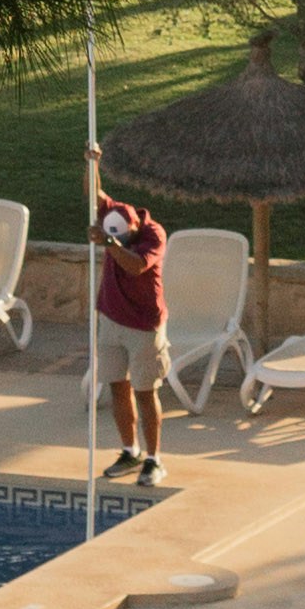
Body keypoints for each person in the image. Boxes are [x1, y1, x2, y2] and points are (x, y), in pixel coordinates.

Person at [93, 190, 167, 480]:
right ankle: (130, 451)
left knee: (145, 392)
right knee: (117, 386)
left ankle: (154, 459)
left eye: (124, 238)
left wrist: (109, 242)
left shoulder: (154, 235)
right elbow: (93, 192)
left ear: (134, 228)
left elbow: (135, 266)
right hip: (111, 318)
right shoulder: (113, 215)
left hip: (144, 326)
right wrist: (93, 162)